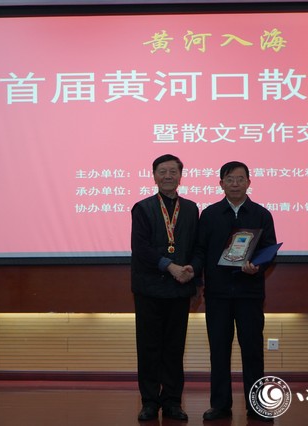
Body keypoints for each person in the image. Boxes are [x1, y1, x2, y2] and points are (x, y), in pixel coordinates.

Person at [191, 161, 277, 422]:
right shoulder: (210, 215)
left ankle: (257, 405)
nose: (235, 184)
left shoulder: (261, 214)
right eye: (230, 179)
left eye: (240, 179)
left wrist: (257, 266)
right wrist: (197, 281)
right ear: (221, 184)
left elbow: (269, 250)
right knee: (219, 350)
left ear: (249, 182)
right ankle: (220, 405)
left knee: (252, 350)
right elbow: (200, 250)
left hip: (249, 293)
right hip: (218, 294)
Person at [131, 154, 199, 422]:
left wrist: (192, 268)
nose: (168, 176)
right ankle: (149, 402)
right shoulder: (142, 208)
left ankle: (172, 401)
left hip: (180, 288)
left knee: (174, 348)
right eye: (163, 171)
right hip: (149, 289)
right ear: (154, 176)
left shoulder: (191, 209)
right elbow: (141, 248)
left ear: (180, 176)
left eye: (173, 171)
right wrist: (169, 266)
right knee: (148, 348)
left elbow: (197, 246)